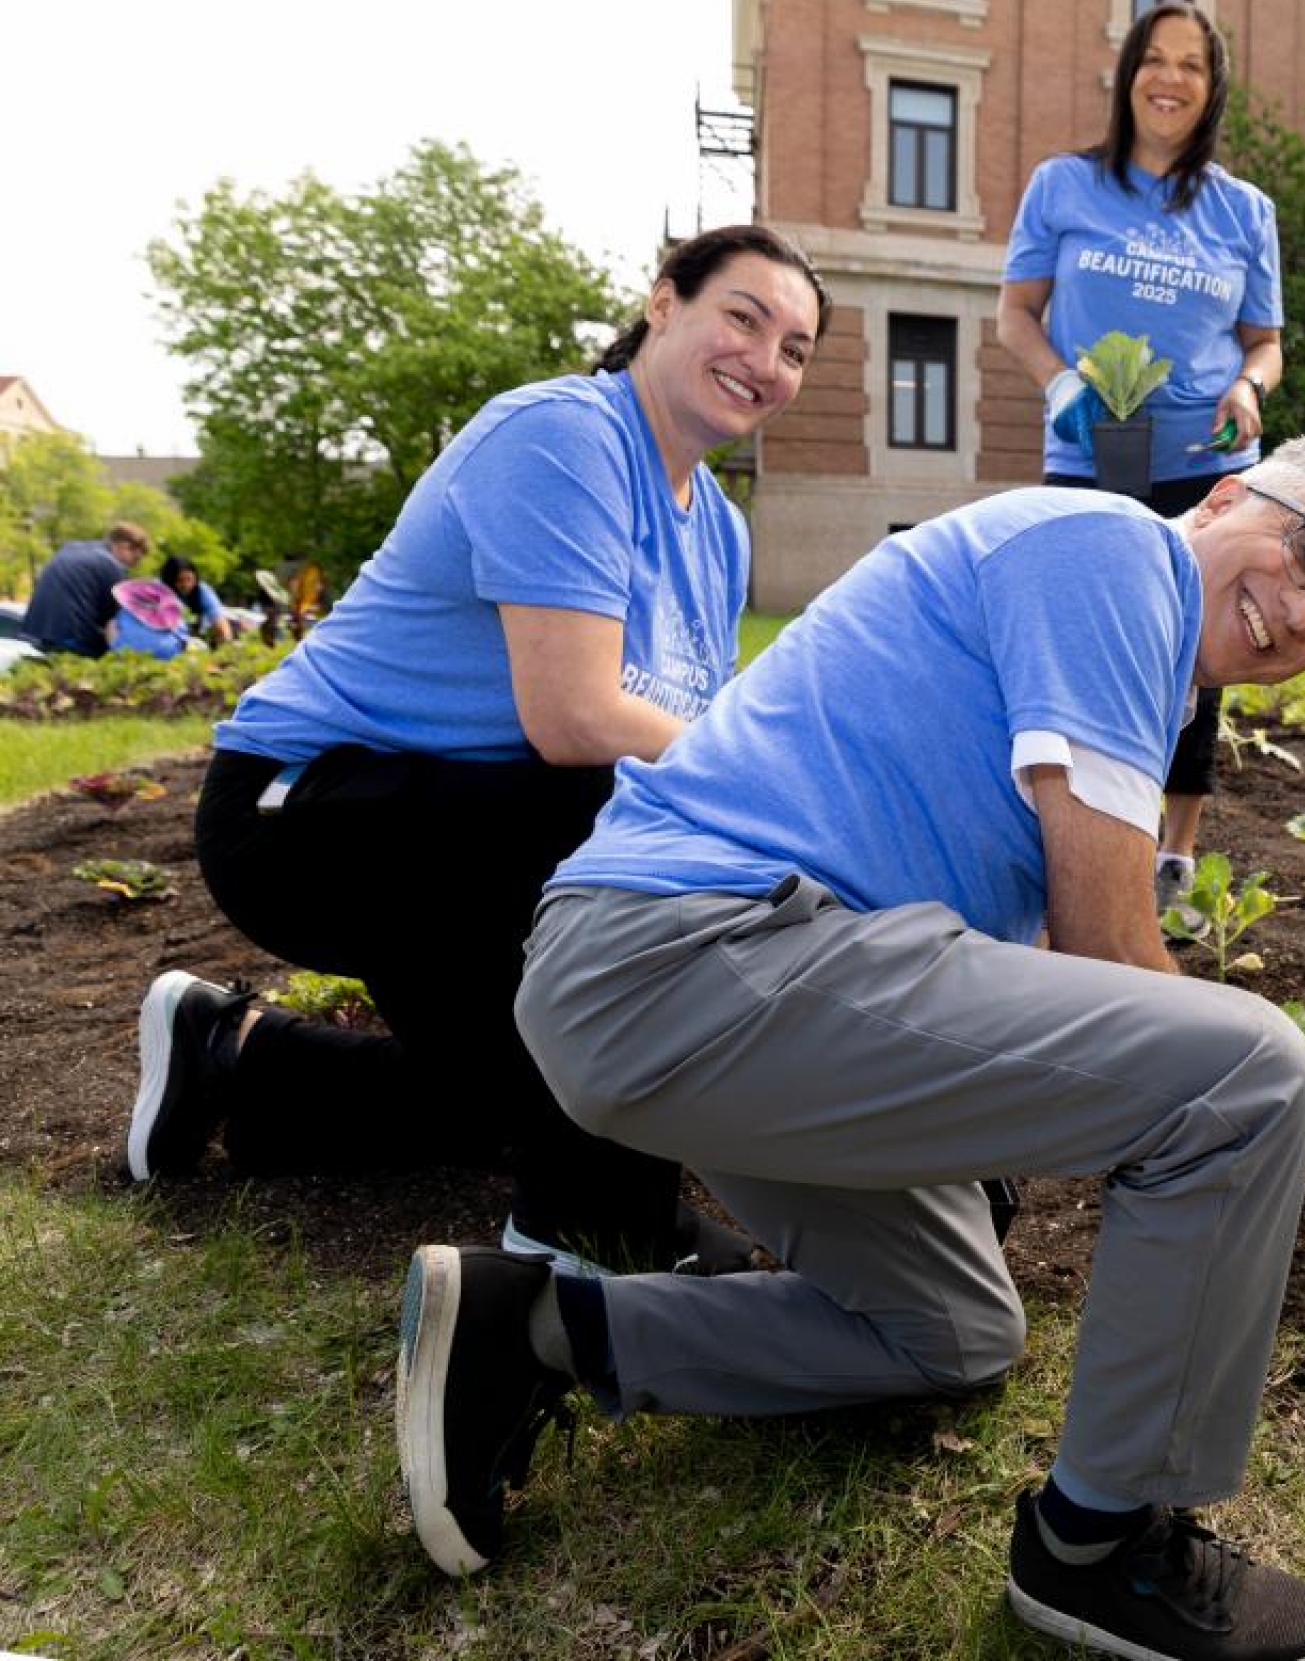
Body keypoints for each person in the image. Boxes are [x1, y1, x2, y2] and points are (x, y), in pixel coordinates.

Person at [392, 436, 1305, 1661]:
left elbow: (1016, 972)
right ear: (1224, 496)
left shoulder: (1136, 650)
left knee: (953, 1333)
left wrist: (989, 1130)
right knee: (1247, 1074)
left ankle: (541, 1330)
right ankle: (1102, 1546)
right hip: (694, 956)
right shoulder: (1114, 554)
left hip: (720, 988)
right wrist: (1229, 1192)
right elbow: (1104, 948)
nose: (1304, 611)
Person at [128, 225, 831, 1280]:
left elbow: (678, 729)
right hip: (300, 812)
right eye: (743, 316)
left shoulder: (720, 530)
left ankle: (236, 1063)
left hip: (464, 828)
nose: (765, 359)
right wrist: (765, 792)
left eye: (795, 348)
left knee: (496, 1094)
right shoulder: (563, 438)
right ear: (662, 305)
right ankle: (594, 1219)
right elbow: (577, 718)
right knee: (611, 816)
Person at [997, 0, 1283, 931]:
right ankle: (1068, 842)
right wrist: (1056, 384)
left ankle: (1174, 857)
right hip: (1092, 454)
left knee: (1198, 664)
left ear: (1213, 88)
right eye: (1154, 60)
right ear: (1128, 76)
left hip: (1205, 468)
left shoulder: (1245, 212)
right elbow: (1017, 315)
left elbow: (1265, 344)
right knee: (1075, 648)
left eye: (1192, 65)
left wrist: (1248, 391)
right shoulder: (1064, 186)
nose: (1170, 78)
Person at [25, 520, 151, 657]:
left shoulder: (70, 548)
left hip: (38, 631)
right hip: (74, 640)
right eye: (135, 559)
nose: (132, 566)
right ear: (124, 547)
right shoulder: (111, 565)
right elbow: (113, 622)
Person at [157, 555, 237, 646]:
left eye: (189, 579)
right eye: (180, 581)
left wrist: (226, 647)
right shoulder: (157, 590)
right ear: (169, 580)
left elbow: (220, 623)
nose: (186, 585)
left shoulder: (202, 591)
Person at [108, 578, 192, 659]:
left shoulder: (124, 613)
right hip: (170, 661)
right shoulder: (178, 618)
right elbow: (184, 641)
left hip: (127, 657)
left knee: (111, 625)